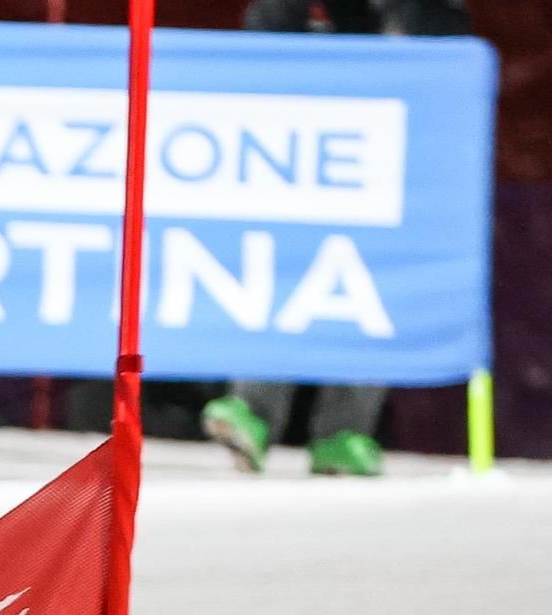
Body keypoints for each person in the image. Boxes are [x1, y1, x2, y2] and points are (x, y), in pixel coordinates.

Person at [198, 0, 472, 477]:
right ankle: (252, 413)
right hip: (302, 115)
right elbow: (265, 26)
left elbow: (442, 29)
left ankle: (345, 433)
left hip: (388, 117)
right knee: (284, 257)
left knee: (368, 270)